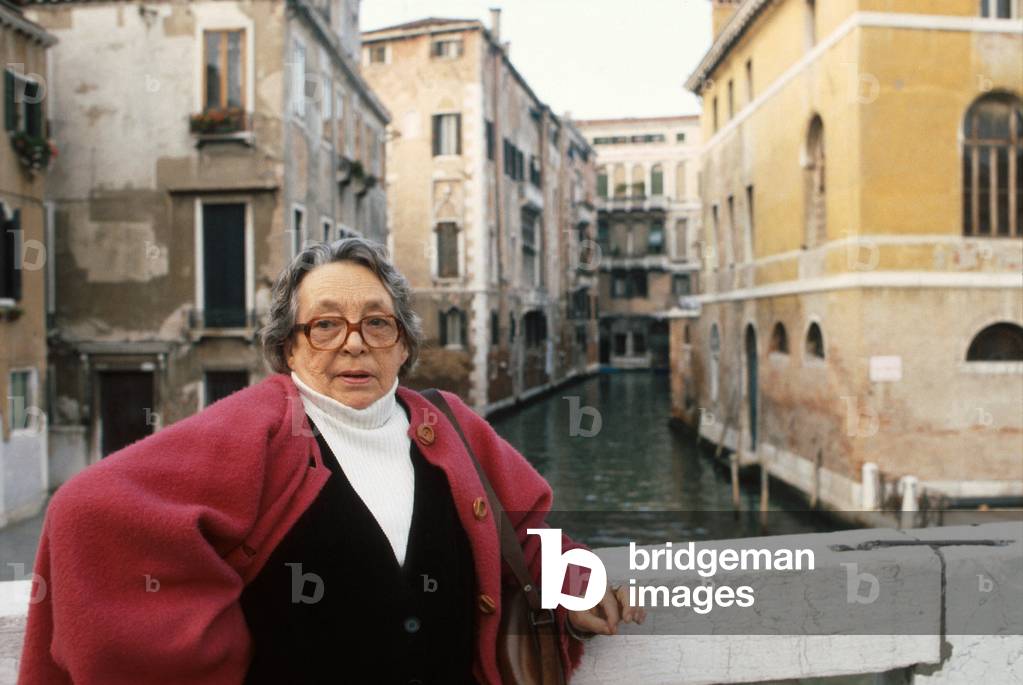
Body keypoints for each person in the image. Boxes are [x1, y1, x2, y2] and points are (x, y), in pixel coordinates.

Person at [17, 237, 644, 684]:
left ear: (402, 347)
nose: (353, 341)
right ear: (288, 347)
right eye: (325, 325)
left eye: (378, 324)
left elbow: (527, 530)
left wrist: (575, 582)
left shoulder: (450, 424)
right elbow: (87, 511)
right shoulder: (253, 431)